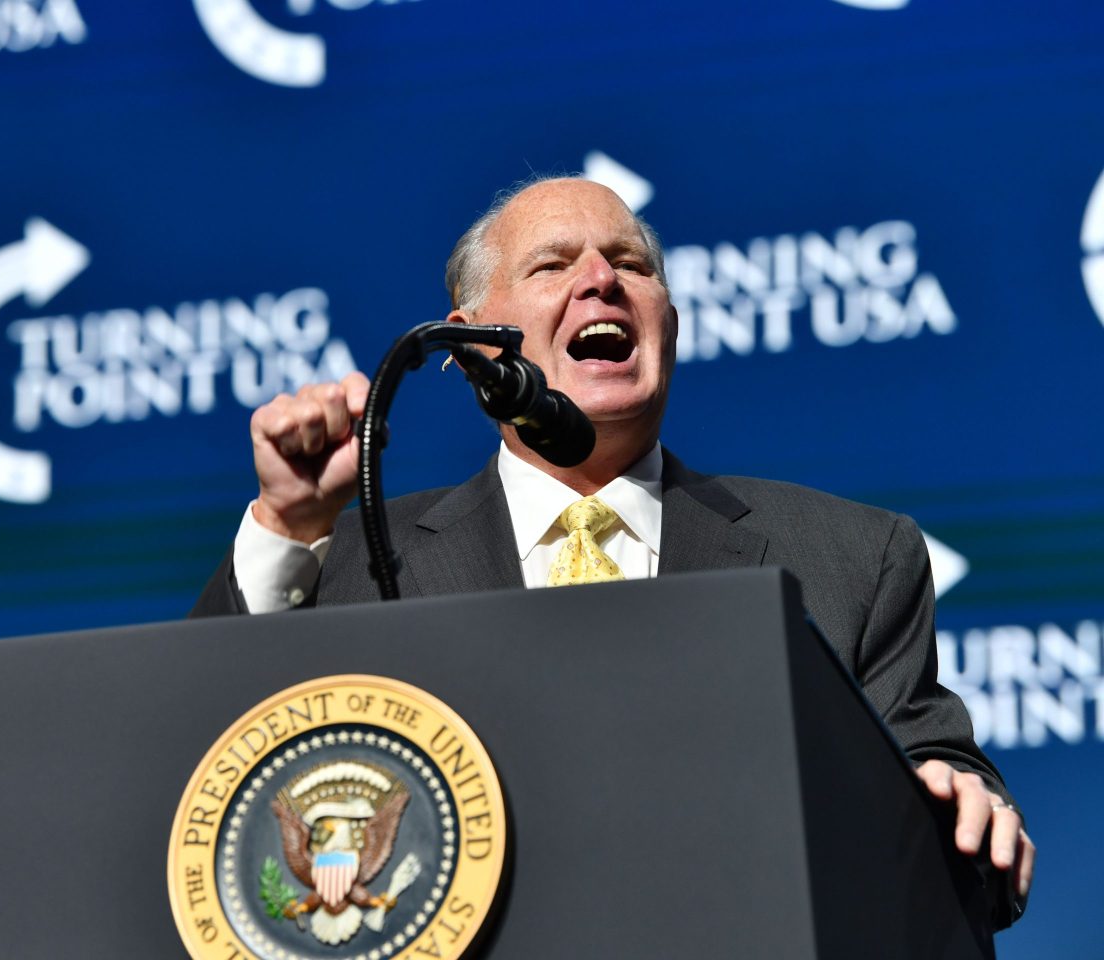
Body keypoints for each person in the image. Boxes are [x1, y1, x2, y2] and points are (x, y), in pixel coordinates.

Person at [192, 175, 1035, 912]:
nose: (601, 281)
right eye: (554, 265)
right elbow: (199, 767)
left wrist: (955, 806)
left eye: (632, 264)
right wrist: (288, 527)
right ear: (474, 345)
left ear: (670, 321)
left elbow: (946, 805)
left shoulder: (850, 557)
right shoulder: (357, 562)